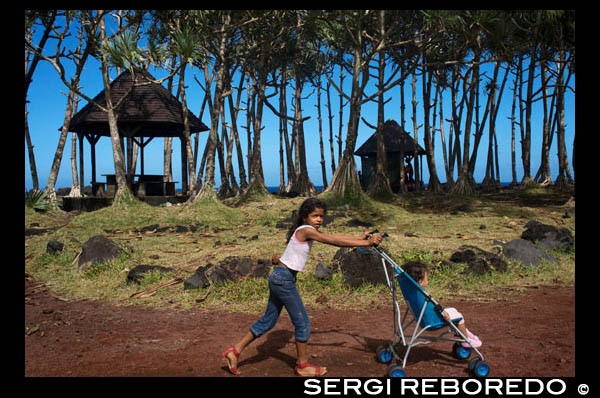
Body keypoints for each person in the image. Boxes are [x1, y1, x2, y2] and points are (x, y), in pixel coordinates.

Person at [222, 198, 383, 376]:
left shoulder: (307, 230)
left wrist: (359, 238)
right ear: (305, 216)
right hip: (283, 280)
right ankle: (302, 365)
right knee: (303, 323)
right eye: (315, 216)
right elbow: (332, 241)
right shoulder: (306, 231)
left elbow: (333, 236)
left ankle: (234, 351)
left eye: (321, 216)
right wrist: (367, 243)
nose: (319, 219)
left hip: (279, 277)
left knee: (268, 320)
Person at [402, 260, 482, 348]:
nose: (427, 280)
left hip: (421, 317)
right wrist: (444, 313)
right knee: (460, 317)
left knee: (454, 310)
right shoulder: (422, 294)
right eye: (426, 277)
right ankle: (466, 340)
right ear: (420, 281)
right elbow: (435, 306)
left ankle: (465, 333)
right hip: (431, 321)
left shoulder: (412, 292)